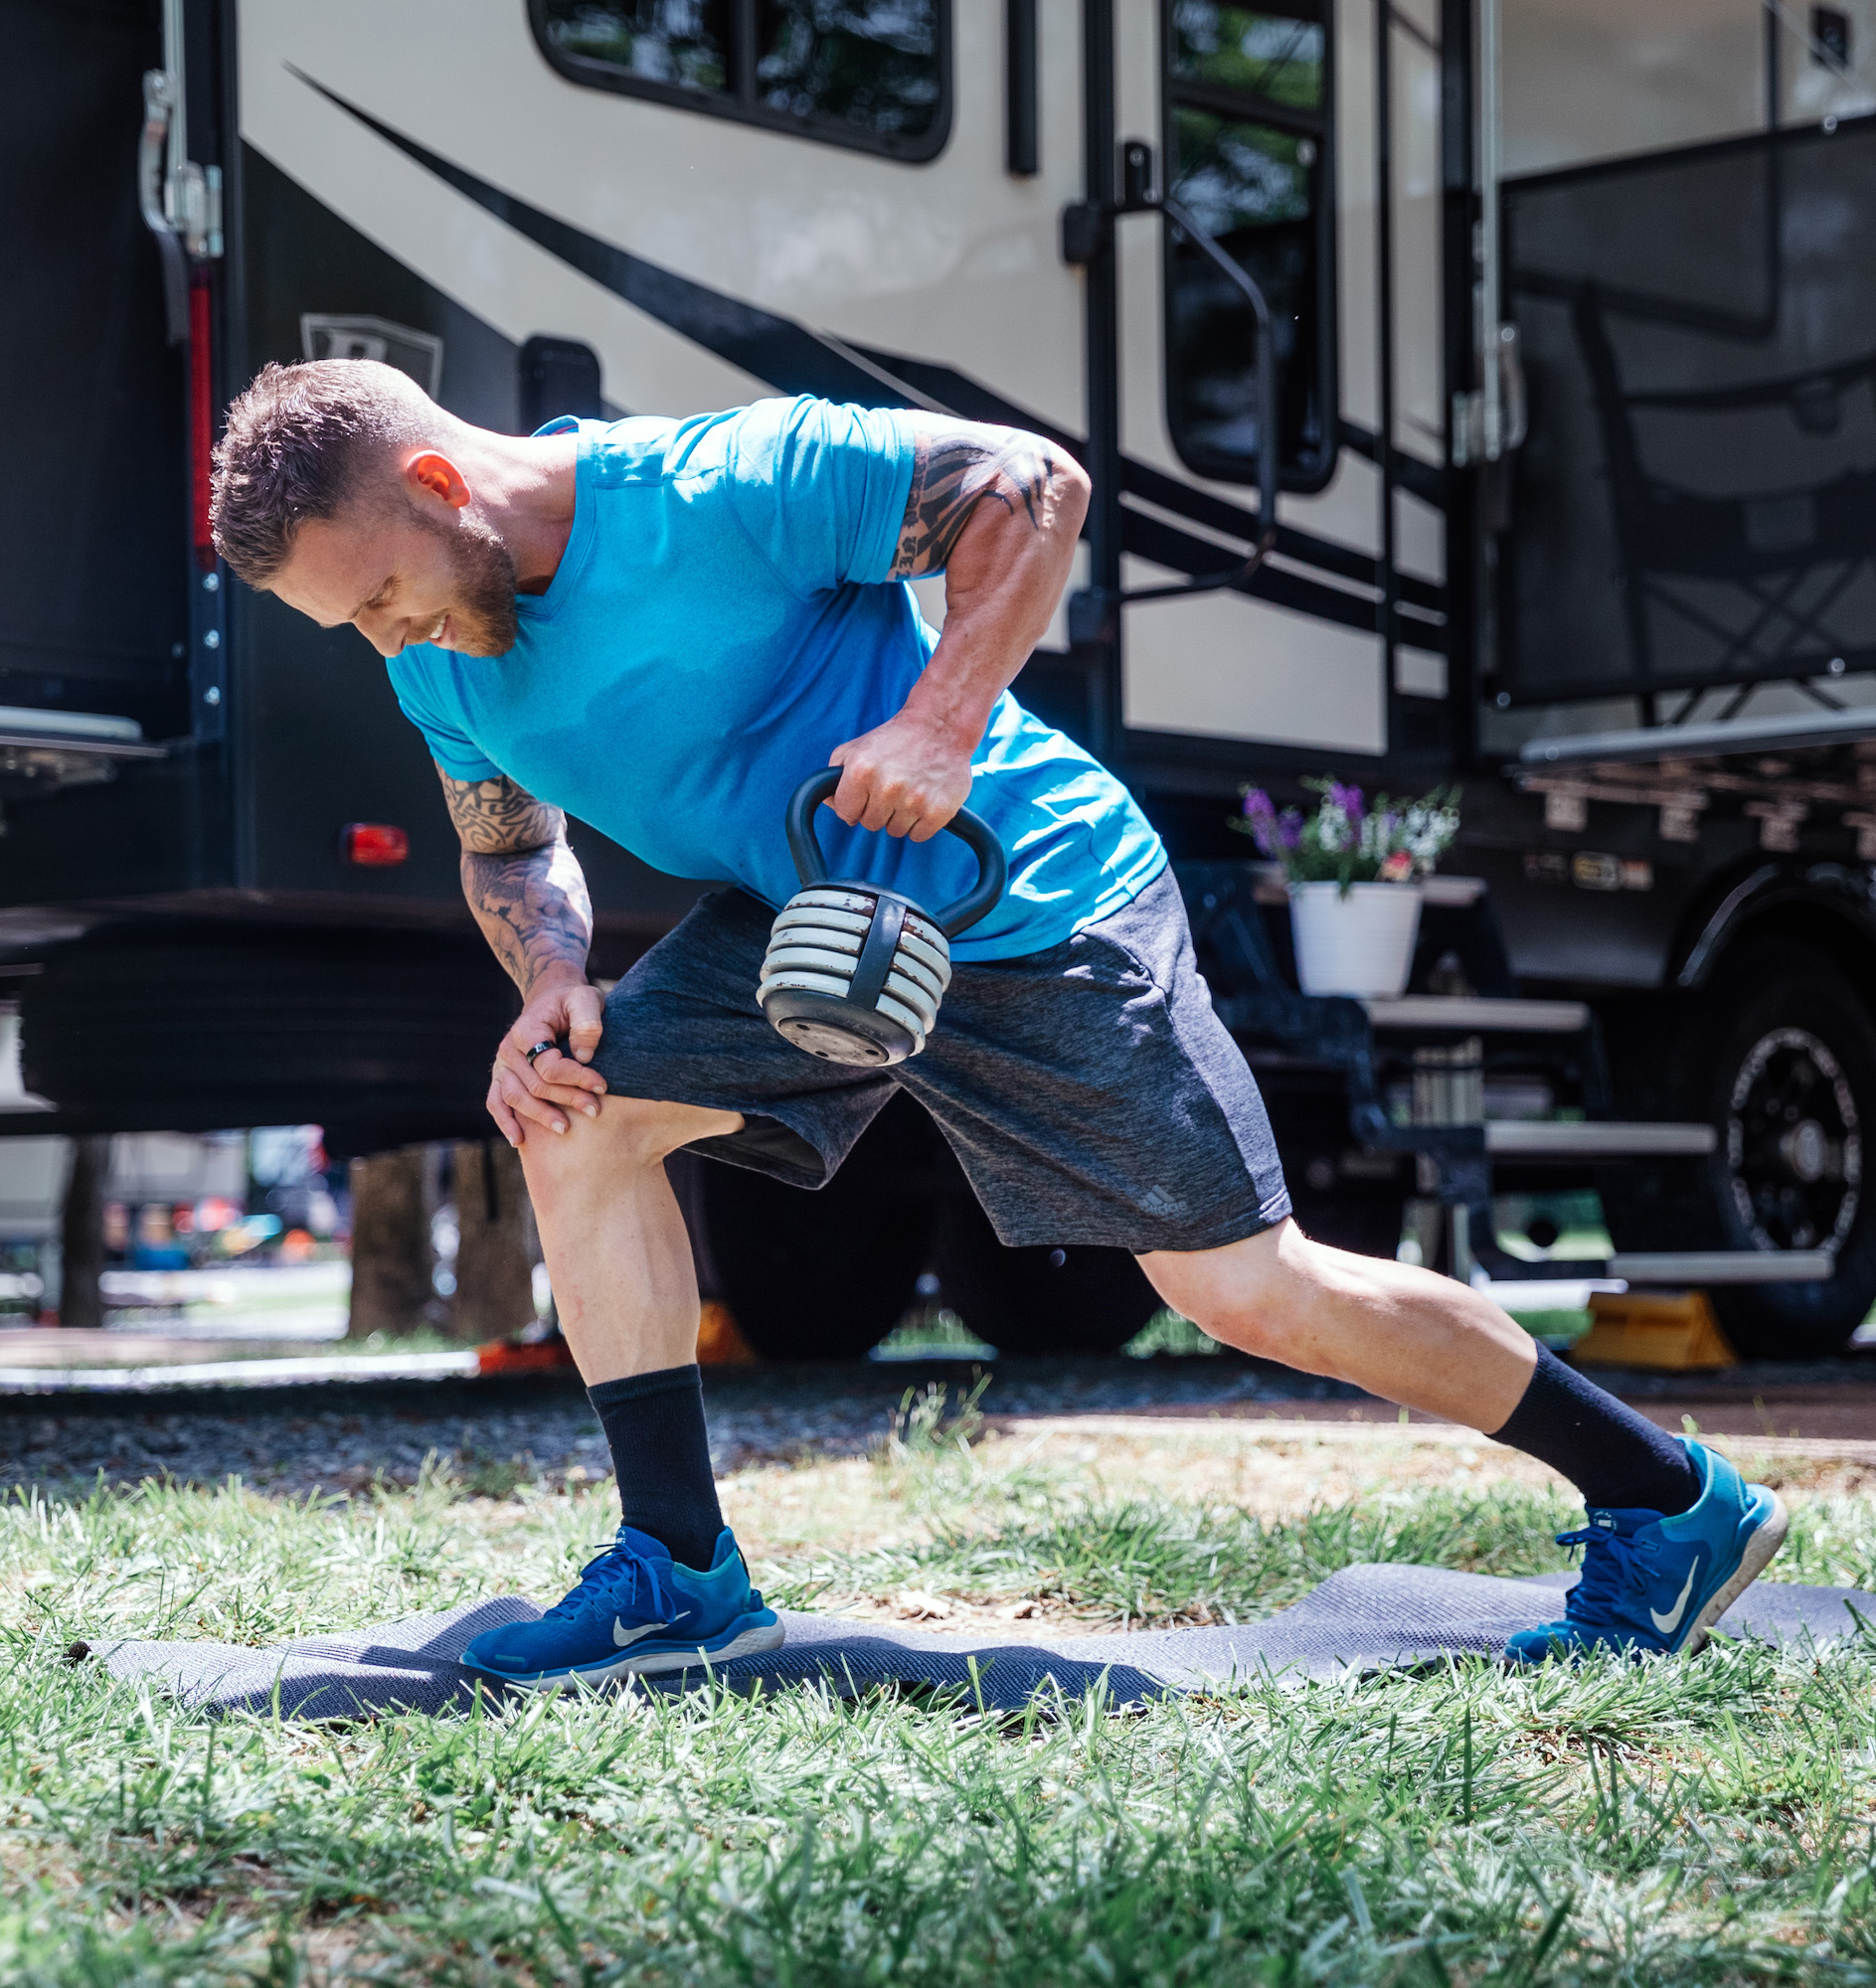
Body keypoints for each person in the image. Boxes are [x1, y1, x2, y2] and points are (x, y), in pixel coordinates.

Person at [209, 360, 1787, 1686]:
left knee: (1248, 1291)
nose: (386, 640)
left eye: (382, 597)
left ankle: (1670, 1502)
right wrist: (551, 982)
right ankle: (677, 1569)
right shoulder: (449, 664)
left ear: (440, 482)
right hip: (812, 920)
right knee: (580, 1110)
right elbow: (508, 847)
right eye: (354, 625)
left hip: (1035, 901)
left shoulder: (720, 484)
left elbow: (1032, 487)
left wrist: (939, 721)